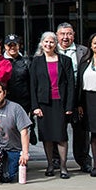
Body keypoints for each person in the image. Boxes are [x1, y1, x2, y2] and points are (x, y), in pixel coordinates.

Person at [30, 31, 75, 179]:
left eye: (51, 42)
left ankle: (63, 166)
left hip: (60, 103)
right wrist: (35, 106)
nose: (48, 45)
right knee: (47, 136)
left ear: (56, 44)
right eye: (46, 42)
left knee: (61, 135)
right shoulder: (36, 61)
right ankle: (50, 165)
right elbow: (33, 85)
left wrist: (69, 106)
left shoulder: (65, 60)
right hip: (44, 104)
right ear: (41, 44)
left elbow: (70, 85)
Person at [56, 22, 91, 173]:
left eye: (69, 34)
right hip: (57, 98)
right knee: (57, 130)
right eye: (62, 34)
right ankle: (56, 160)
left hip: (78, 97)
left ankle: (84, 161)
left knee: (81, 132)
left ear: (74, 35)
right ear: (57, 36)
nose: (65, 37)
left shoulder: (83, 51)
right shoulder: (50, 49)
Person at [77, 33, 96, 177]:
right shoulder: (85, 61)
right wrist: (79, 104)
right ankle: (95, 164)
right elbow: (79, 84)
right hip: (89, 101)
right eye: (95, 43)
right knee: (93, 134)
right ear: (90, 45)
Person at [4, 34, 34, 145]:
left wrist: (33, 104)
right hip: (6, 101)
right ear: (5, 47)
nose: (12, 48)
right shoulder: (1, 61)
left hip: (23, 102)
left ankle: (21, 153)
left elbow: (31, 83)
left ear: (19, 46)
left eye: (14, 45)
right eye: (9, 45)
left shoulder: (26, 62)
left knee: (21, 129)